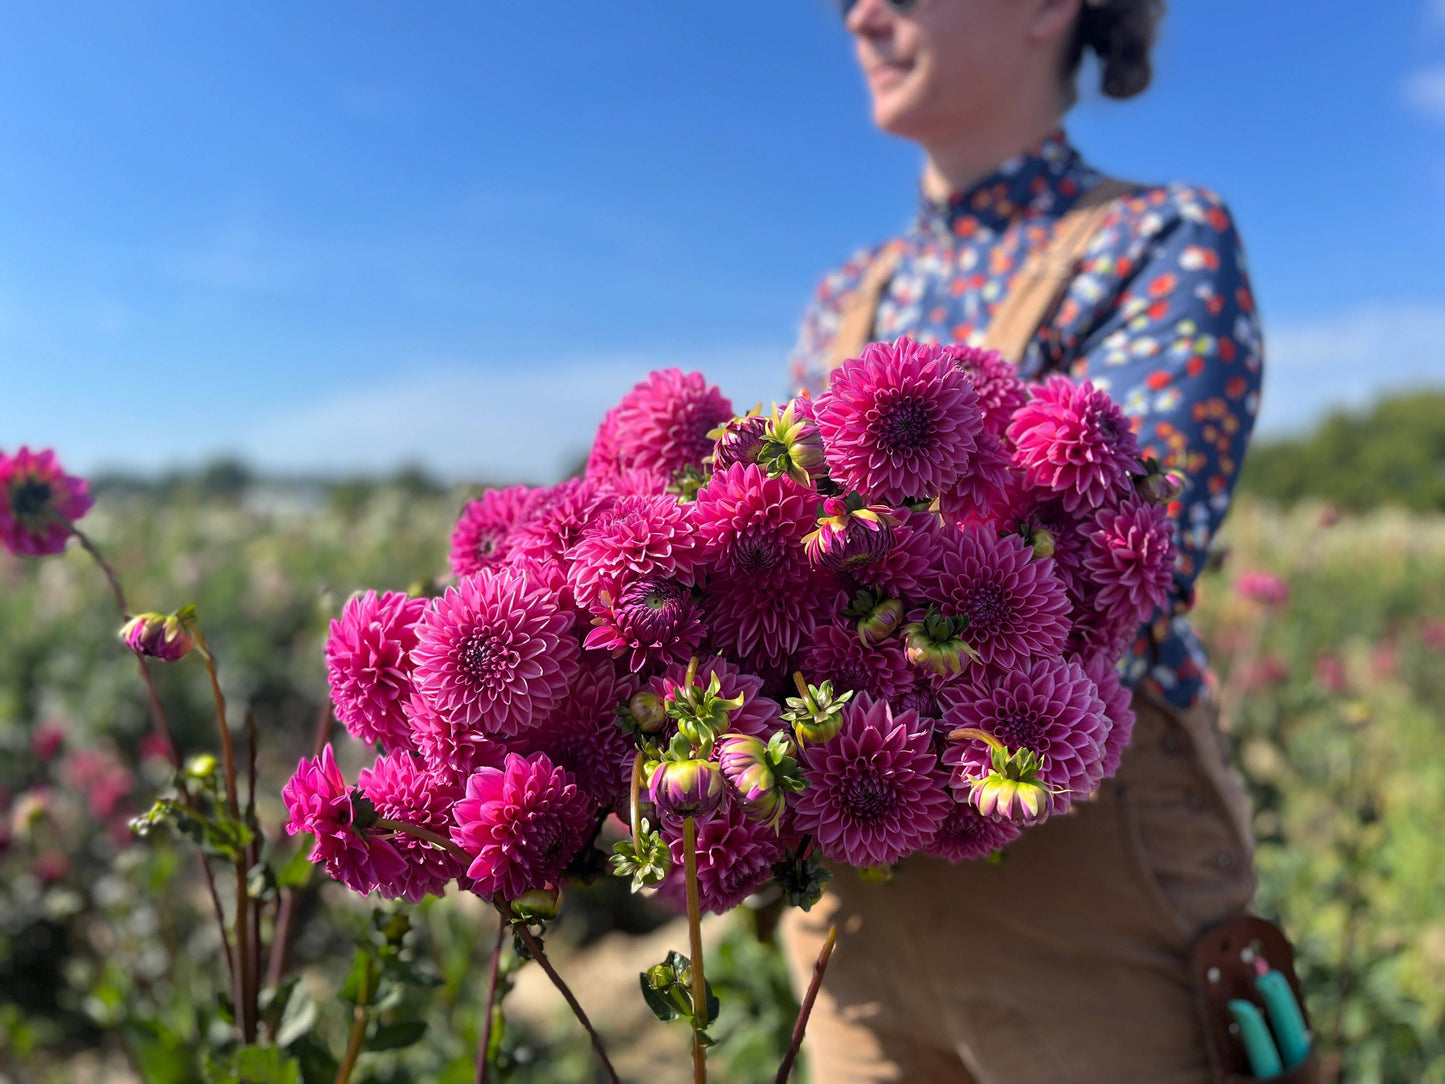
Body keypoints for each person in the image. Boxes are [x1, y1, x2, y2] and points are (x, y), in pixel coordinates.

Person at [780, 1, 1265, 1080]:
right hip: (852, 916)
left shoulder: (1159, 240)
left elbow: (1115, 578)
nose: (860, 14)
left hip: (1083, 896)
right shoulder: (846, 295)